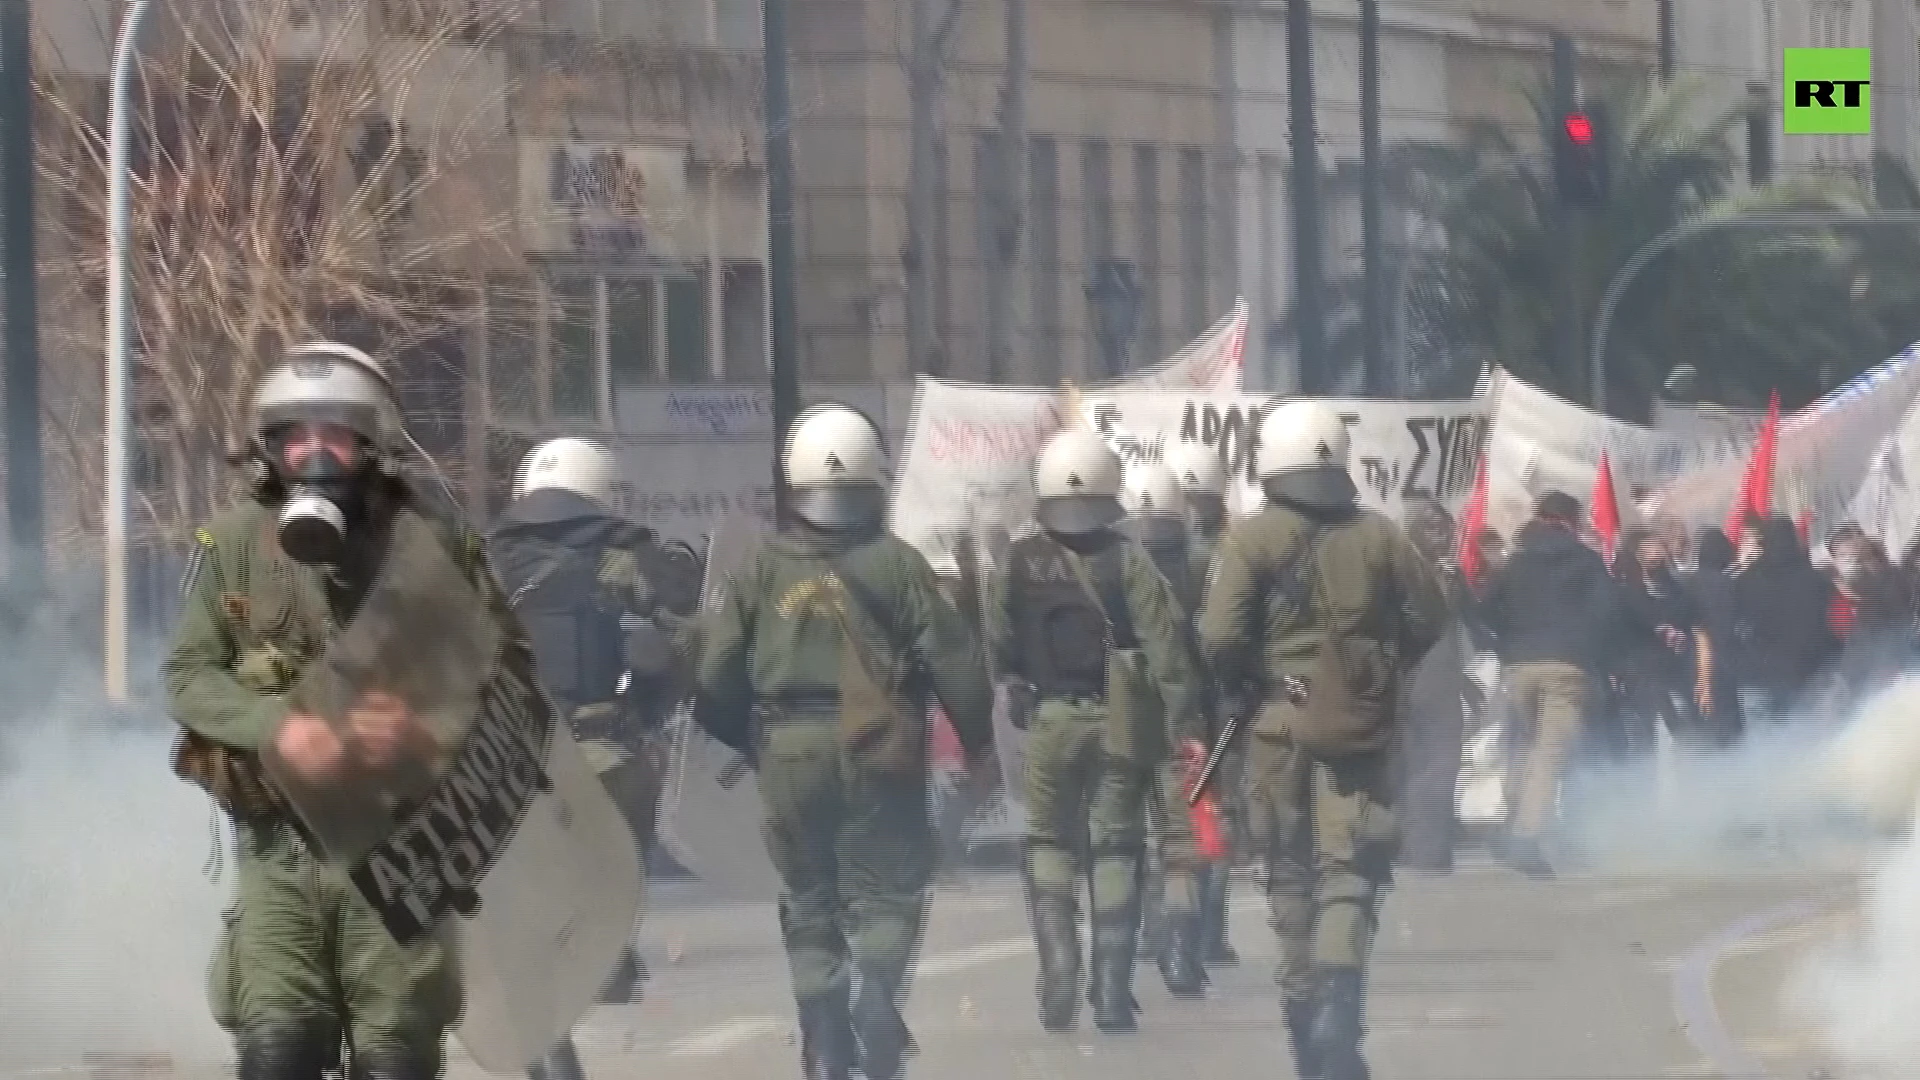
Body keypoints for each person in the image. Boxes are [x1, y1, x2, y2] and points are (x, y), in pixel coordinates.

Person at [165, 342, 522, 1080]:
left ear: (372, 443)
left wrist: (423, 732)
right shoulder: (232, 543)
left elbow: (503, 673)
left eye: (335, 431)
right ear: (271, 445)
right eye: (297, 432)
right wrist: (279, 729)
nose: (315, 449)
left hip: (399, 853)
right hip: (277, 853)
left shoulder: (433, 543)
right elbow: (188, 674)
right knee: (276, 1051)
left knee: (395, 1056)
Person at [692, 403, 995, 1080]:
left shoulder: (759, 569)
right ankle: (875, 988)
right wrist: (978, 741)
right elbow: (957, 666)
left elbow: (713, 679)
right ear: (875, 482)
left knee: (809, 900)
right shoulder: (901, 566)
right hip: (880, 749)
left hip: (788, 753)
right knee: (888, 892)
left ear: (794, 481)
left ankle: (825, 1028)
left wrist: (746, 735)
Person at [1198, 402, 1445, 1080]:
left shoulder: (1247, 539)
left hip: (1276, 725)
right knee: (1350, 871)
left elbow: (1220, 635)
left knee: (1287, 877)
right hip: (1355, 731)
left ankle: (1307, 1026)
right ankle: (1339, 1010)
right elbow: (1431, 614)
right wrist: (1377, 669)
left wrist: (1245, 677)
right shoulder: (1381, 536)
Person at [986, 431, 1202, 1034]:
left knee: (1049, 844)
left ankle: (1057, 975)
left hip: (1049, 721)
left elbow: (997, 639)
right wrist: (1185, 720)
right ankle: (1110, 991)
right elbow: (1165, 645)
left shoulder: (1018, 559)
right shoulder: (1128, 559)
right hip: (1119, 721)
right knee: (1115, 847)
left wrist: (1016, 684)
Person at [487, 437, 692, 1007]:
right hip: (598, 740)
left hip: (504, 743)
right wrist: (652, 708)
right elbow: (680, 639)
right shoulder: (625, 556)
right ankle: (604, 955)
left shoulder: (484, 555)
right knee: (616, 850)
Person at [1478, 491, 1617, 879]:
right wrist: (1586, 645)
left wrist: (1506, 643)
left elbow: (1484, 608)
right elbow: (1608, 610)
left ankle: (1512, 819)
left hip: (1519, 665)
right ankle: (1526, 836)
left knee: (1522, 745)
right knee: (1550, 754)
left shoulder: (1514, 562)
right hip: (1566, 666)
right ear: (1572, 522)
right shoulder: (1586, 560)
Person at [1119, 460, 1210, 997]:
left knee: (1120, 839)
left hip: (1119, 721)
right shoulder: (1203, 568)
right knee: (1181, 841)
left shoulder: (1104, 569)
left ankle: (1134, 949)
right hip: (1186, 721)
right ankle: (1179, 954)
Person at [1165, 439, 1243, 966]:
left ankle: (1162, 931)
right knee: (1216, 814)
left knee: (1163, 817)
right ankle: (1210, 933)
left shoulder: (1134, 549)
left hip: (1164, 699)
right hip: (1220, 698)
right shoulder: (1236, 550)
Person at [1398, 497, 1471, 874]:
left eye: (1444, 527)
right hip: (1413, 680)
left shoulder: (1449, 574)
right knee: (1423, 766)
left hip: (1441, 680)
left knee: (1438, 766)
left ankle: (1427, 849)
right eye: (1430, 526)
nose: (1440, 535)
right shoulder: (1400, 571)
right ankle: (1422, 849)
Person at [1727, 514, 1837, 735]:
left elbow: (1736, 625)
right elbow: (1833, 621)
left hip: (1765, 670)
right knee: (1818, 737)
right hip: (1814, 666)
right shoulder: (1816, 579)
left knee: (1776, 741)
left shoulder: (1743, 582)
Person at [1610, 527, 1703, 755]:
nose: (1657, 553)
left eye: (1659, 547)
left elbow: (1689, 618)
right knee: (1651, 743)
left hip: (1678, 672)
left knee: (1688, 738)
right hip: (1642, 677)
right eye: (1649, 548)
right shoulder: (1624, 592)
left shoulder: (1676, 586)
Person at [1685, 527, 1742, 747]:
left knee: (1703, 721)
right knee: (1730, 725)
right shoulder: (1728, 584)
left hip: (1695, 659)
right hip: (1725, 658)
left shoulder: (1687, 582)